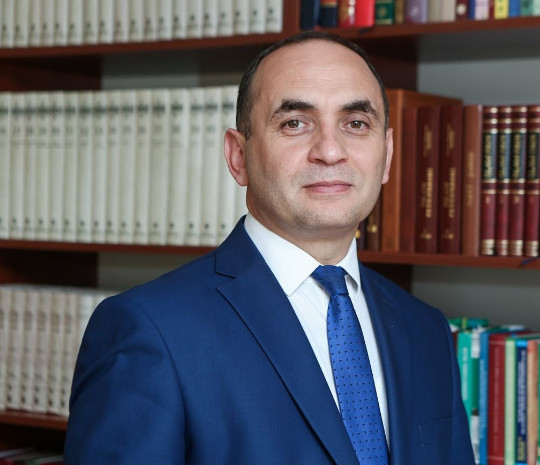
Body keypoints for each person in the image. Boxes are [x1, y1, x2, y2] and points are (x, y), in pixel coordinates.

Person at [64, 31, 473, 465]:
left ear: (386, 155)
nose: (330, 151)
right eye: (295, 122)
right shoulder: (149, 330)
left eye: (356, 123)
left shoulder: (425, 329)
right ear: (238, 156)